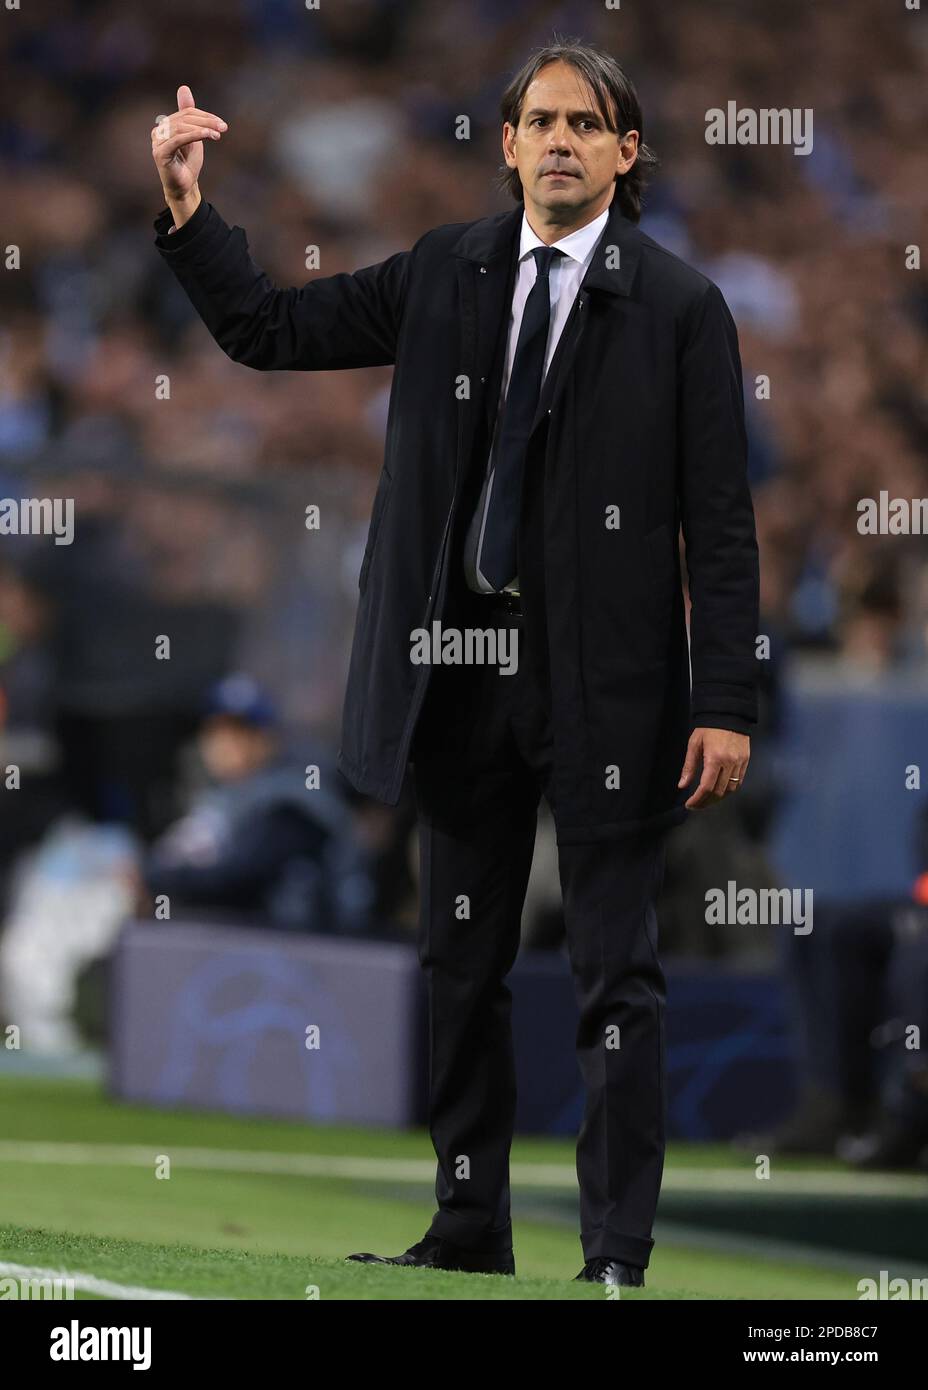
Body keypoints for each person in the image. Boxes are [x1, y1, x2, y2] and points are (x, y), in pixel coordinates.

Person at [150, 38, 759, 1286]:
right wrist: (190, 209)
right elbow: (268, 329)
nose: (558, 141)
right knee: (460, 960)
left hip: (611, 684)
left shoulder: (684, 308)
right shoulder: (447, 268)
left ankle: (615, 1255)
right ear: (507, 143)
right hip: (460, 670)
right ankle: (470, 1229)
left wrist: (728, 701)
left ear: (624, 151)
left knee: (613, 972)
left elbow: (724, 520)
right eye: (539, 120)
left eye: (585, 124)